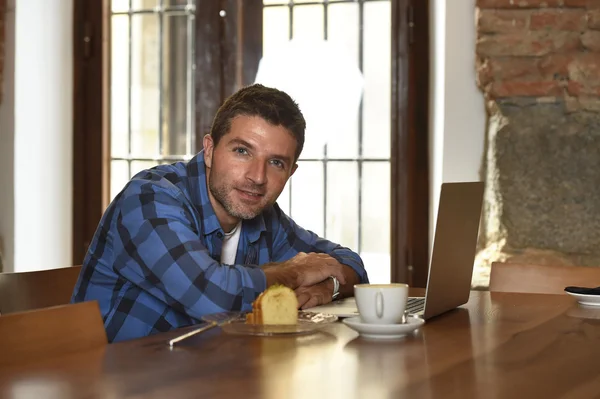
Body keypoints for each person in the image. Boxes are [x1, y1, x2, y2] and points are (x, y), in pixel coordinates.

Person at [71, 84, 369, 342]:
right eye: (242, 151)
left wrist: (327, 286)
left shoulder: (264, 217)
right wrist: (296, 272)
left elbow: (351, 264)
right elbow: (212, 297)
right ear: (210, 149)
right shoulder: (150, 198)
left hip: (211, 378)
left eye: (276, 162)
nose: (257, 177)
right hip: (117, 383)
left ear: (291, 172)